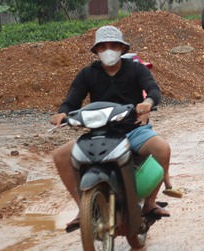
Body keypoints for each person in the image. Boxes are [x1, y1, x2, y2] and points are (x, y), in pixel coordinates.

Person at [50, 25, 172, 233]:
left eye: (114, 45)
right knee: (60, 156)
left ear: (122, 49)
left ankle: (150, 203)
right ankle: (84, 209)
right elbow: (72, 100)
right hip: (98, 133)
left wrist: (148, 103)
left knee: (162, 148)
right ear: (96, 50)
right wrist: (62, 113)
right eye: (103, 46)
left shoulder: (136, 69)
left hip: (133, 130)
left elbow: (153, 90)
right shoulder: (88, 73)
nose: (108, 50)